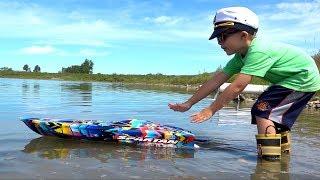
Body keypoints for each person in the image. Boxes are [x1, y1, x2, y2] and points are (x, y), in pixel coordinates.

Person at [168, 7, 320, 160]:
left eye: (222, 37)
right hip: (290, 80)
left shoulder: (258, 51)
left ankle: (269, 162)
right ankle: (282, 157)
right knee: (273, 116)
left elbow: (238, 86)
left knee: (263, 110)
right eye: (217, 39)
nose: (219, 43)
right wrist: (189, 103)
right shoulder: (240, 57)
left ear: (243, 35)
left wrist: (211, 110)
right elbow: (215, 81)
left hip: (302, 79)